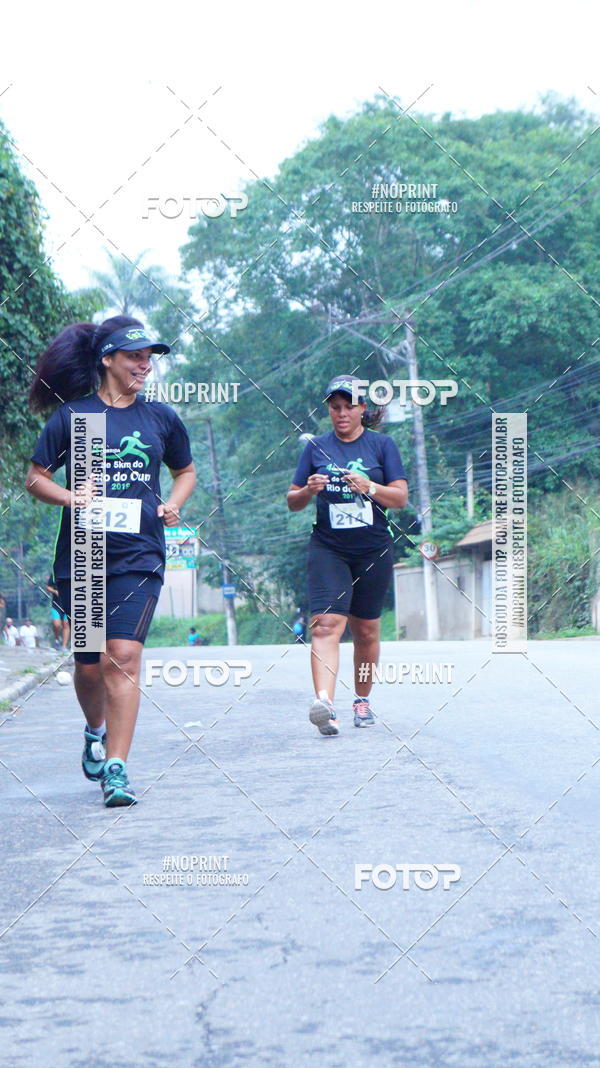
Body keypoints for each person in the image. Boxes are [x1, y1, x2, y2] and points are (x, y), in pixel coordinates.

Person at [26, 315, 196, 806]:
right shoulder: (74, 417)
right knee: (90, 665)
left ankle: (117, 769)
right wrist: (71, 497)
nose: (145, 365)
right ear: (108, 360)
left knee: (122, 657)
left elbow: (185, 470)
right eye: (135, 356)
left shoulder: (159, 418)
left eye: (149, 357)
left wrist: (175, 502)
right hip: (83, 553)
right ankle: (94, 730)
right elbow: (35, 478)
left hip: (139, 553)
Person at [287, 375, 408, 736]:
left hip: (372, 548)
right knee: (325, 624)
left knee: (367, 631)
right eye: (335, 407)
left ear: (362, 409)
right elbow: (292, 501)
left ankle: (362, 700)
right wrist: (307, 490)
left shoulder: (382, 446)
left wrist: (370, 486)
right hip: (329, 547)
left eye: (349, 406)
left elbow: (400, 498)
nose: (341, 413)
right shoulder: (314, 448)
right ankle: (324, 702)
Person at [47, 574, 70, 649]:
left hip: (68, 605)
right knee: (57, 625)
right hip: (56, 605)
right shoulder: (55, 573)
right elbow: (48, 587)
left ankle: (64, 646)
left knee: (66, 624)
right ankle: (56, 639)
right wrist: (55, 591)